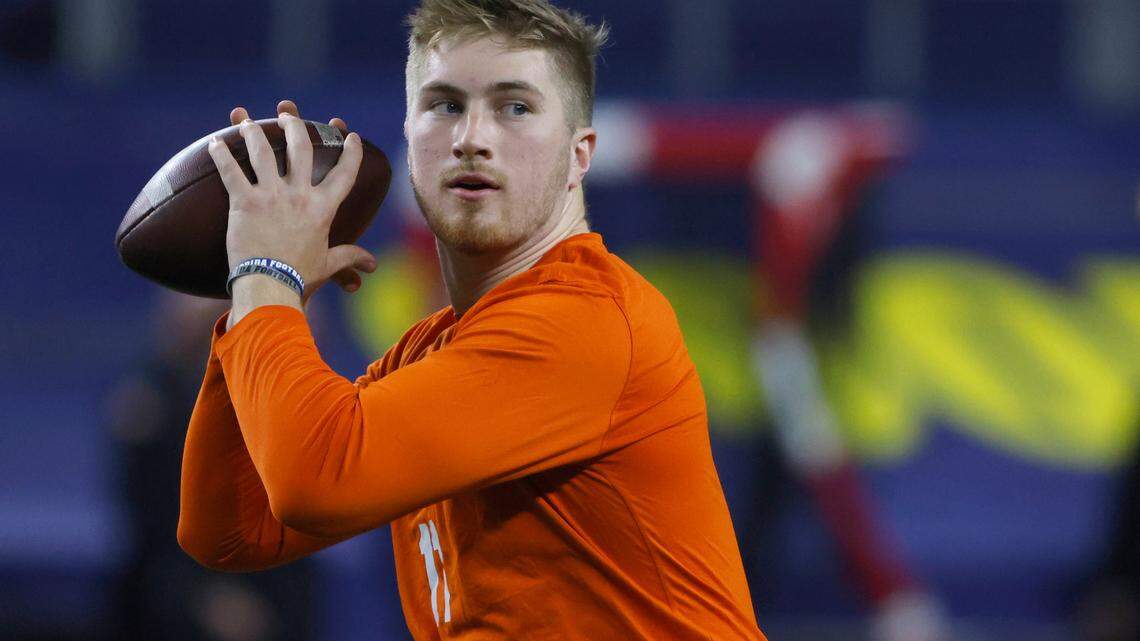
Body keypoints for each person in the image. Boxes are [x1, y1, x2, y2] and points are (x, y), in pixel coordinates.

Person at [174, 1, 766, 639]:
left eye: (515, 107)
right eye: (445, 105)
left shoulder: (584, 319)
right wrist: (252, 306)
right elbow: (231, 531)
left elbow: (313, 483)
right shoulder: (432, 351)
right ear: (410, 138)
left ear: (580, 156)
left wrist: (268, 272)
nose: (471, 138)